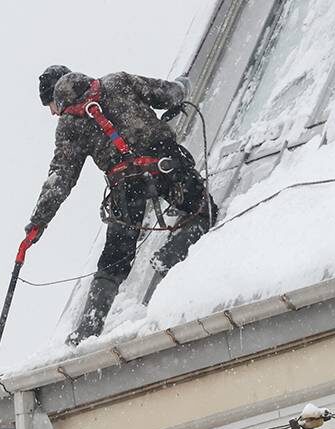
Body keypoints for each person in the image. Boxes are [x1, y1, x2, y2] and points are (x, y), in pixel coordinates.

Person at [26, 65, 215, 345]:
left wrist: (38, 222)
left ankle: (88, 327)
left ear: (57, 96)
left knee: (114, 261)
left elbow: (60, 179)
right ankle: (171, 254)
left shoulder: (69, 125)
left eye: (51, 105)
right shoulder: (118, 82)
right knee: (203, 212)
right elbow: (167, 94)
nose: (53, 113)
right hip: (166, 165)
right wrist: (182, 85)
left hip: (126, 188)